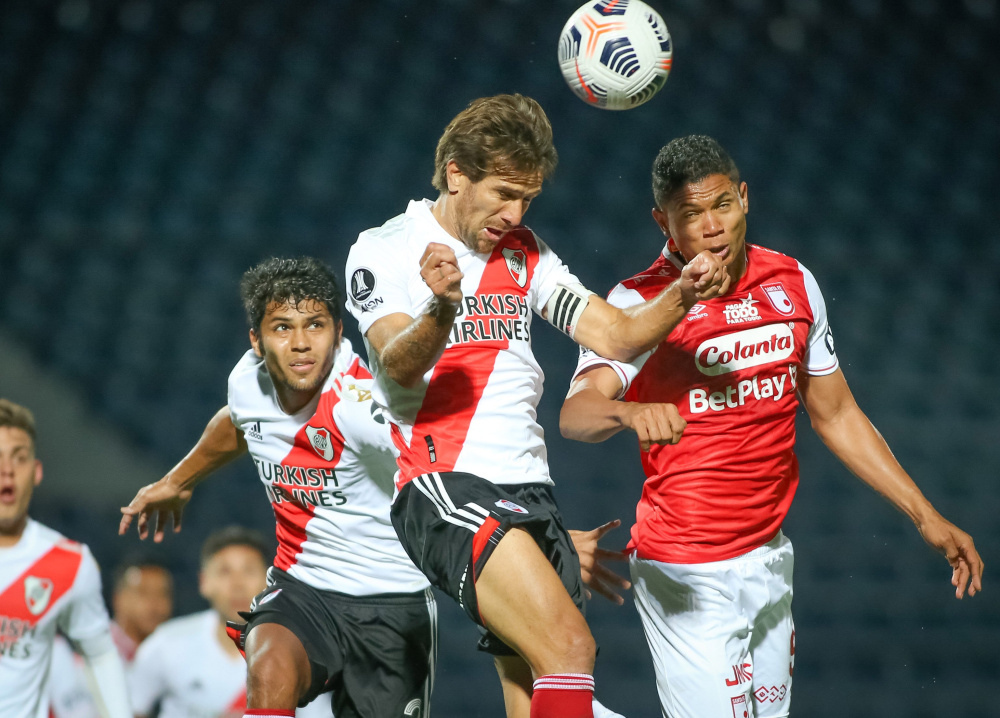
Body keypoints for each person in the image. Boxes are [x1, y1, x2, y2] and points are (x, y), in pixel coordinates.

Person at [559, 134, 985, 718]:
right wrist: (628, 413)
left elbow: (836, 413)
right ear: (663, 222)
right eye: (691, 214)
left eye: (722, 205)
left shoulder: (792, 282)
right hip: (686, 568)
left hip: (769, 558)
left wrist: (924, 515)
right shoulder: (639, 302)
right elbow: (576, 415)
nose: (712, 227)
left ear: (744, 198)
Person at [344, 93, 730, 718]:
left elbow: (616, 335)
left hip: (532, 490)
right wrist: (442, 307)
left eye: (527, 198)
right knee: (570, 648)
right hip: (446, 484)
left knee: (534, 690)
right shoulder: (386, 248)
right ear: (455, 174)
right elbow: (395, 366)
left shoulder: (525, 252)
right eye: (503, 193)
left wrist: (681, 294)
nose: (514, 213)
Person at [120, 257, 434, 718]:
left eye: (315, 325)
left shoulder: (363, 405)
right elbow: (237, 422)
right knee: (269, 668)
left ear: (338, 332)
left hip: (391, 600)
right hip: (303, 588)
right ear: (256, 340)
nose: (301, 343)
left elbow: (441, 462)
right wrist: (178, 481)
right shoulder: (248, 383)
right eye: (283, 327)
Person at [0, 399, 130, 718]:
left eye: (19, 458)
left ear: (37, 472)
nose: (7, 470)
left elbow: (99, 654)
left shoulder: (67, 562)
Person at [128, 526, 329, 718]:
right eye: (225, 571)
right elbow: (127, 709)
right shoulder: (167, 643)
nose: (237, 584)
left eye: (249, 571)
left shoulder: (298, 656)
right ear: (204, 582)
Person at [50, 556, 174, 718]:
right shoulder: (86, 648)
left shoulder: (174, 655)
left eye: (162, 594)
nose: (154, 604)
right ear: (118, 598)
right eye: (143, 593)